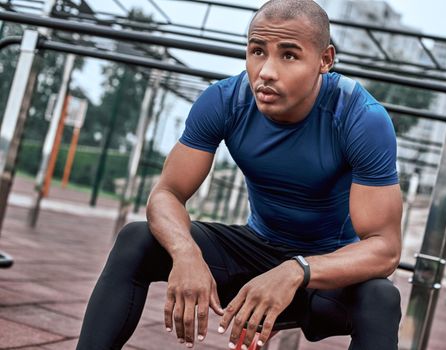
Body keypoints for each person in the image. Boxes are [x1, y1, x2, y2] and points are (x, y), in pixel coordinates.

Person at [77, 0, 402, 349]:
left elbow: (385, 250)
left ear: (325, 60)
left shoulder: (361, 118)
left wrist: (297, 270)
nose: (266, 71)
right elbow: (167, 194)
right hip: (254, 251)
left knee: (381, 298)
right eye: (257, 51)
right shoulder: (224, 101)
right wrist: (186, 252)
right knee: (137, 240)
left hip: (323, 275)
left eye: (289, 55)